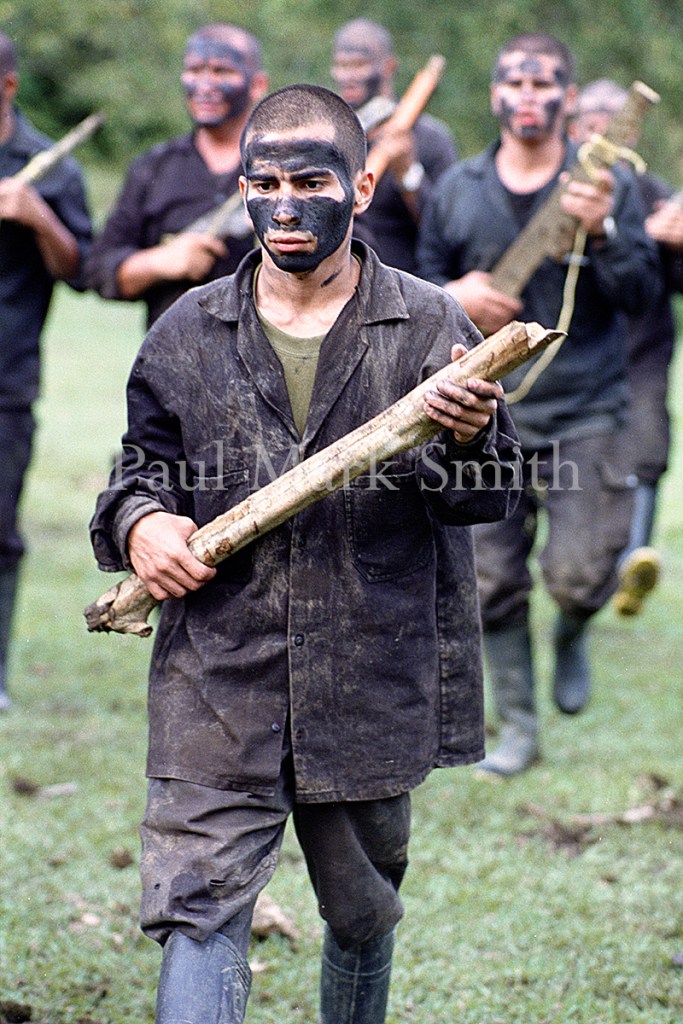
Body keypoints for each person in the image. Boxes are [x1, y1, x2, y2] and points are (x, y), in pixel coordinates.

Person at [89, 84, 521, 1024]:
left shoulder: (432, 327)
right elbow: (138, 473)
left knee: (361, 915)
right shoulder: (186, 332)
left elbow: (491, 496)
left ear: (362, 187)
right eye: (264, 183)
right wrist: (142, 527)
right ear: (242, 189)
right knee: (198, 910)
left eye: (311, 181)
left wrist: (466, 438)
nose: (284, 206)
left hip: (371, 671)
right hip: (218, 671)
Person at [417, 34, 660, 776]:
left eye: (543, 83)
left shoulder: (603, 184)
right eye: (513, 82)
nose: (527, 95)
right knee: (490, 576)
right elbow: (420, 290)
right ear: (493, 95)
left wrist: (603, 231)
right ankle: (518, 728)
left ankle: (574, 629)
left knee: (581, 572)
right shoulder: (455, 187)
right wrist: (452, 295)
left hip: (586, 408)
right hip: (484, 417)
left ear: (566, 95)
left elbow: (642, 294)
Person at [0, 31, 92, 712]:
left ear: (8, 87)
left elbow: (79, 269)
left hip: (6, 379)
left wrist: (36, 217)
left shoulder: (49, 168)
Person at [569, 79, 683, 616]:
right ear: (575, 131)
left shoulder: (656, 192)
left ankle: (633, 560)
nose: (606, 138)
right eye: (595, 127)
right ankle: (600, 564)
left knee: (646, 448)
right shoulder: (557, 194)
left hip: (643, 350)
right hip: (577, 360)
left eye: (617, 126)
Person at [85, 23, 268, 327]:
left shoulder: (284, 169)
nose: (205, 85)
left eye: (222, 72)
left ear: (257, 85)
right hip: (171, 364)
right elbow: (98, 270)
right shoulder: (153, 167)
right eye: (195, 71)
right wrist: (163, 261)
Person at [331, 18, 458, 274]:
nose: (349, 76)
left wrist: (408, 174)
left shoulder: (430, 138)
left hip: (406, 289)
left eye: (359, 65)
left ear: (389, 67)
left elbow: (448, 233)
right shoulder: (327, 136)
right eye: (342, 66)